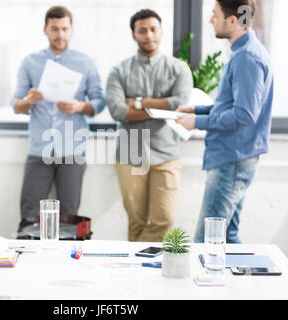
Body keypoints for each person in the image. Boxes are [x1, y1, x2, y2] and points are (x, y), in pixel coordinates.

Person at [177, 0, 274, 243]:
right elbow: (232, 106)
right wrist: (196, 110)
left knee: (205, 242)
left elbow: (244, 114)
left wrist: (197, 122)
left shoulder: (247, 58)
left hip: (233, 161)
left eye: (215, 14)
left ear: (233, 20)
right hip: (235, 158)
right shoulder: (243, 53)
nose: (211, 20)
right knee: (227, 238)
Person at [11, 6, 105, 237]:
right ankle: (28, 265)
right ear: (45, 30)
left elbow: (100, 102)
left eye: (64, 29)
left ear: (71, 30)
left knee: (69, 217)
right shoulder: (30, 62)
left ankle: (64, 267)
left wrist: (80, 106)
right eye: (55, 29)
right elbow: (16, 104)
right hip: (39, 150)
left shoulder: (86, 63)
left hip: (72, 149)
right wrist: (29, 101)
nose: (60, 34)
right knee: (30, 214)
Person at [106, 9, 193, 242]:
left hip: (166, 154)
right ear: (134, 35)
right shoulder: (118, 71)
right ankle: (136, 276)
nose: (148, 35)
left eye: (153, 29)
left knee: (164, 220)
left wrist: (137, 103)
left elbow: (181, 104)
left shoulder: (179, 69)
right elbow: (117, 111)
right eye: (142, 30)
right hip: (130, 154)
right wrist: (162, 109)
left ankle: (135, 263)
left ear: (161, 31)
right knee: (136, 221)